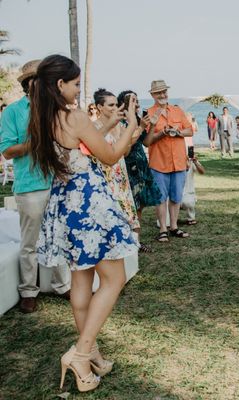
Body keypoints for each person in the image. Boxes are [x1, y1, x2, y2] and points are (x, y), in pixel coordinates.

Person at [30, 55, 139, 393]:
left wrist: (107, 127)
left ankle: (91, 355)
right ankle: (80, 353)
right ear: (59, 84)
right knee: (114, 278)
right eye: (75, 84)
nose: (79, 90)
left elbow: (82, 143)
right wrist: (131, 124)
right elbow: (108, 156)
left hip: (66, 204)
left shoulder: (43, 118)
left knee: (82, 281)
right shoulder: (73, 116)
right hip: (89, 204)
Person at [0, 59, 71, 314]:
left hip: (56, 183)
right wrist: (38, 141)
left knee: (58, 237)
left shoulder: (55, 108)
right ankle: (29, 291)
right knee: (30, 242)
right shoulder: (14, 112)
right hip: (29, 185)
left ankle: (62, 285)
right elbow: (7, 151)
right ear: (30, 84)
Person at [143, 79, 193, 242]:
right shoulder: (148, 113)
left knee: (176, 196)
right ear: (152, 95)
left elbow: (189, 130)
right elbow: (146, 142)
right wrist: (160, 132)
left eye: (164, 91)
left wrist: (177, 132)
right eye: (158, 92)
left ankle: (174, 227)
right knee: (160, 198)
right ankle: (163, 229)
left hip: (178, 161)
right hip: (159, 162)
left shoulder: (178, 110)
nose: (162, 95)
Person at [117, 90, 162, 253]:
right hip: (129, 167)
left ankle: (136, 241)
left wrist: (152, 126)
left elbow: (147, 143)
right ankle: (128, 241)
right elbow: (125, 146)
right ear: (125, 103)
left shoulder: (137, 119)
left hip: (141, 164)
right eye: (133, 100)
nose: (137, 103)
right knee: (130, 207)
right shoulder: (121, 122)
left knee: (140, 206)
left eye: (137, 100)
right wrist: (141, 126)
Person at [92, 89, 140, 232]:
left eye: (116, 105)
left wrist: (127, 132)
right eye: (111, 105)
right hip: (104, 177)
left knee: (130, 221)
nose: (115, 108)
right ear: (100, 107)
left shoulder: (119, 125)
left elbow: (125, 153)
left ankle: (132, 251)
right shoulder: (93, 127)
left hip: (121, 176)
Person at [180, 151, 205, 225]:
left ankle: (191, 217)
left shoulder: (191, 161)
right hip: (174, 192)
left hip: (187, 193)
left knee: (188, 202)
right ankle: (166, 222)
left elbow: (202, 172)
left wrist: (196, 162)